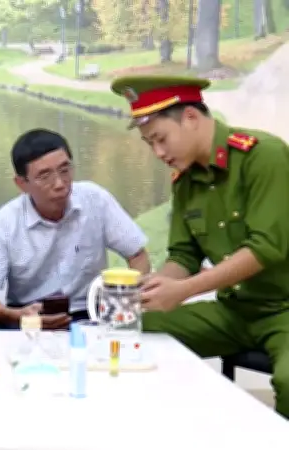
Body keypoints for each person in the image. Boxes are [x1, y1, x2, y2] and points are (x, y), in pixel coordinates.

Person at [110, 75, 289, 418]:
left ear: (191, 117)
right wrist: (153, 288)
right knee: (131, 328)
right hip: (234, 312)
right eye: (150, 144)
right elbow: (184, 255)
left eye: (161, 139)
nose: (159, 153)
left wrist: (184, 290)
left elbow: (266, 248)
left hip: (284, 310)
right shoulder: (185, 180)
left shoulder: (264, 156)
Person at [0, 128, 151, 330]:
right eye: (44, 176)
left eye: (65, 170)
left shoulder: (95, 200)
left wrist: (125, 304)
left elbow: (138, 255)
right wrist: (16, 316)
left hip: (88, 311)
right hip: (28, 314)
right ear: (22, 184)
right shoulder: (6, 222)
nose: (59, 184)